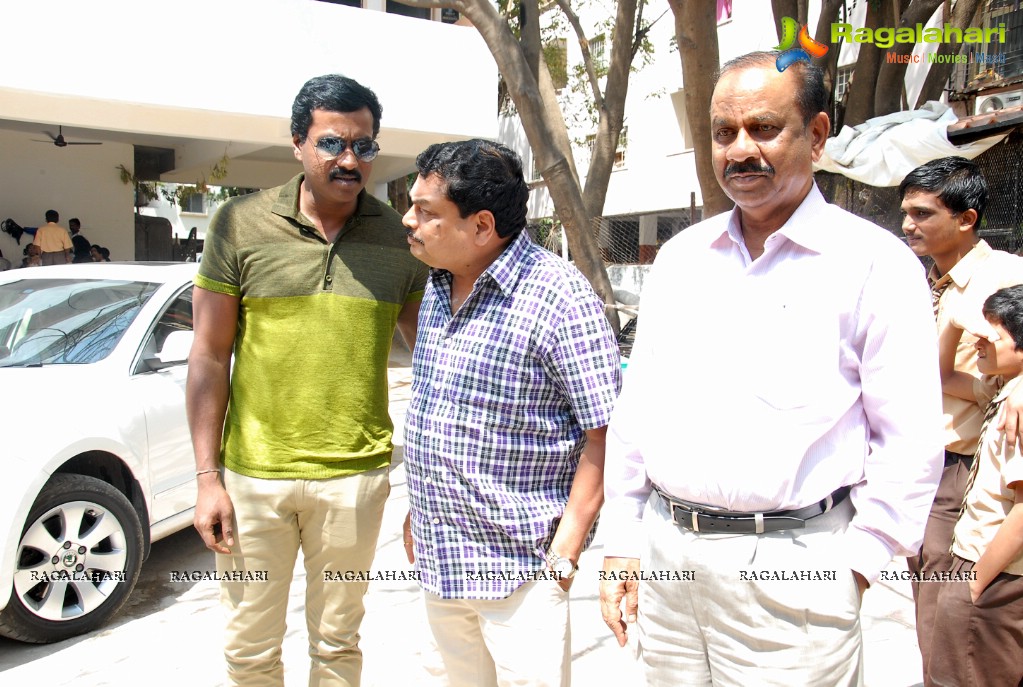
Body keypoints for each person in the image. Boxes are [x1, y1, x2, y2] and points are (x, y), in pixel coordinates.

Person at [599, 50, 944, 685]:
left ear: (814, 135)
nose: (738, 150)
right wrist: (621, 540)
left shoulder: (873, 263)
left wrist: (858, 565)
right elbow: (637, 411)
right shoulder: (681, 259)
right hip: (668, 558)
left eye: (763, 128)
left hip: (796, 571)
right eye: (723, 133)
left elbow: (911, 441)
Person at [186, 74, 428, 687]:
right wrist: (207, 478)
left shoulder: (400, 241)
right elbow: (208, 357)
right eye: (332, 143)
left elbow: (433, 359)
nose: (349, 160)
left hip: (354, 479)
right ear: (298, 142)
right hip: (252, 483)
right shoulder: (237, 224)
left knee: (338, 645)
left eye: (364, 146)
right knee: (249, 650)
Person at [401, 139, 620, 686]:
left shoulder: (558, 296)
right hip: (440, 561)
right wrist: (419, 509)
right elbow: (437, 410)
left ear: (481, 226)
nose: (408, 220)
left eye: (426, 212)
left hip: (521, 574)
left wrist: (564, 555)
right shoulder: (437, 283)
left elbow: (608, 432)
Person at [898, 155, 1023, 674]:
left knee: (953, 617)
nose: (908, 224)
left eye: (924, 214)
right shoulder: (915, 281)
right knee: (930, 611)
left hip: (968, 470)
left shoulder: (1008, 277)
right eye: (905, 212)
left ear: (966, 219)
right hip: (914, 464)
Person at [927, 284, 1023, 686]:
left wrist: (976, 581)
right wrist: (950, 321)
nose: (978, 342)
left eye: (993, 336)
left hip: (993, 570)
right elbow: (941, 375)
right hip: (982, 563)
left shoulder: (1018, 409)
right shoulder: (1004, 390)